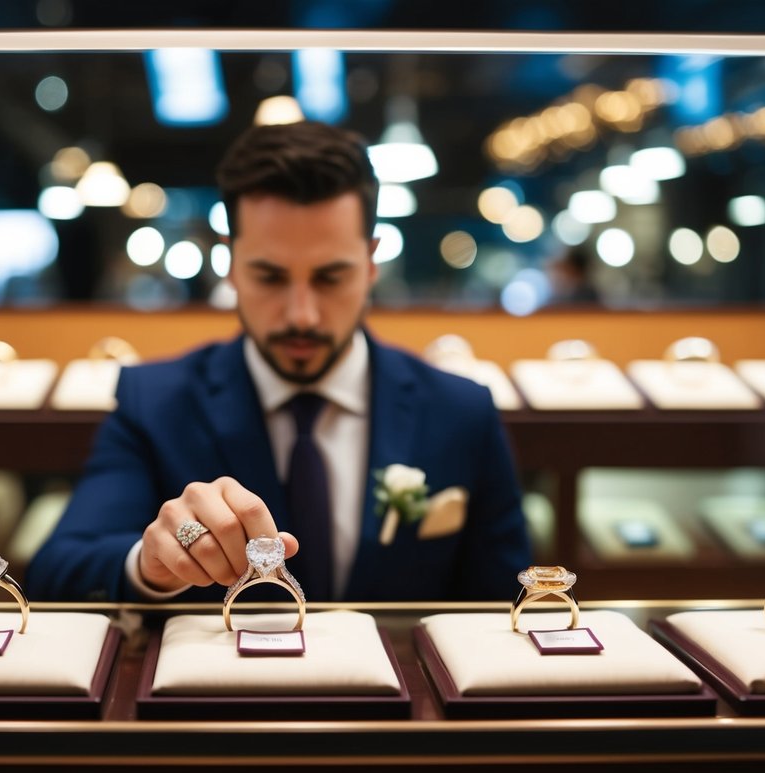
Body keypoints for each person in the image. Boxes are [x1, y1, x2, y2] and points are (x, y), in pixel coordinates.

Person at [26, 121, 530, 603]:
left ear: (371, 262)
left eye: (331, 277)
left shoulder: (461, 412)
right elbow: (58, 572)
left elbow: (506, 605)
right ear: (230, 264)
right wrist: (149, 564)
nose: (301, 315)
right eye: (269, 277)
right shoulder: (154, 403)